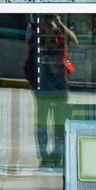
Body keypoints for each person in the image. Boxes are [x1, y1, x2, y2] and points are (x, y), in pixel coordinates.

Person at [25, 15, 78, 165]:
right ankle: (44, 156)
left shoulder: (60, 28)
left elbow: (74, 40)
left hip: (59, 80)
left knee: (59, 120)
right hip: (42, 79)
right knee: (42, 119)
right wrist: (44, 26)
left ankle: (58, 154)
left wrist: (59, 23)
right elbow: (30, 45)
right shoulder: (34, 28)